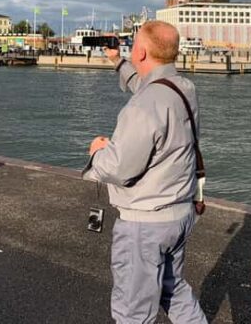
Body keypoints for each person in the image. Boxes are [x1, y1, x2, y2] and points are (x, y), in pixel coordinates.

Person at [83, 20, 207, 324]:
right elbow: (149, 87)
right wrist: (117, 61)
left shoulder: (141, 108)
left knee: (133, 310)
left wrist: (98, 151)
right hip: (179, 213)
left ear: (140, 51)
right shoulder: (183, 89)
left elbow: (119, 168)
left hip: (145, 223)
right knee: (174, 290)